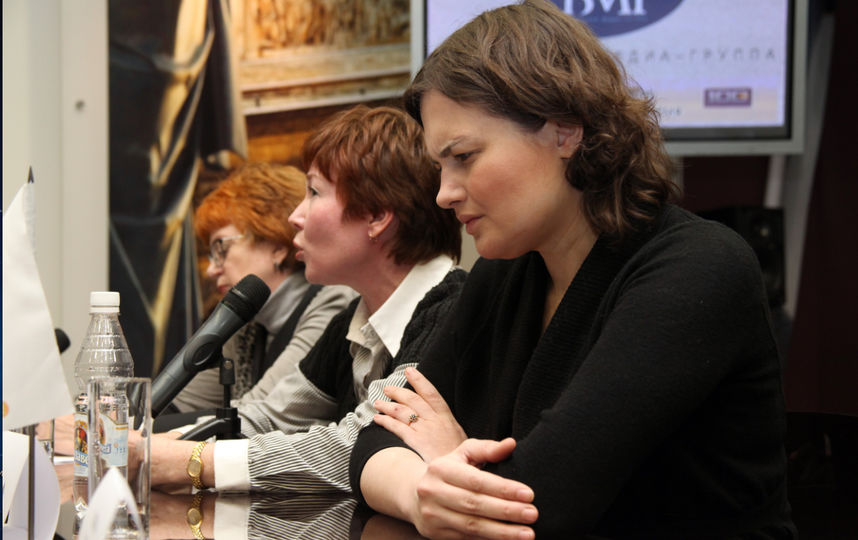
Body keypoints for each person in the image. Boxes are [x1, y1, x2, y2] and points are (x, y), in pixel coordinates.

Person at [349, 2, 797, 539]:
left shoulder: (698, 269)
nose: (444, 194)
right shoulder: (504, 272)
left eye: (463, 156)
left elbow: (541, 505)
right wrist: (423, 495)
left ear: (565, 131)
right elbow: (375, 438)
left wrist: (445, 461)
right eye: (439, 166)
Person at [145, 104, 465, 533]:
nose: (295, 216)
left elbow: (356, 446)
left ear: (377, 217)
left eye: (314, 192)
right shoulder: (356, 318)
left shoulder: (451, 311)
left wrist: (189, 460)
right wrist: (149, 447)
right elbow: (270, 417)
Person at [169, 162, 356, 413]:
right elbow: (177, 404)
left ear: (276, 245)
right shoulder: (249, 326)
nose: (211, 269)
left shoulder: (333, 302)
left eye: (221, 248)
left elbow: (260, 412)